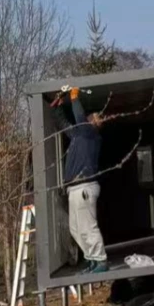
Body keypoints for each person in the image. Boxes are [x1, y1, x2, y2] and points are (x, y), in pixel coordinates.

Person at [50, 87, 108, 273]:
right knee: (76, 229)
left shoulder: (91, 135)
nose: (93, 117)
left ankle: (101, 260)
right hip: (75, 188)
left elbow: (79, 117)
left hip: (85, 187)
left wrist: (74, 98)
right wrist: (58, 104)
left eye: (95, 117)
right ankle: (91, 259)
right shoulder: (77, 135)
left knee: (88, 227)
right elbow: (63, 122)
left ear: (95, 125)